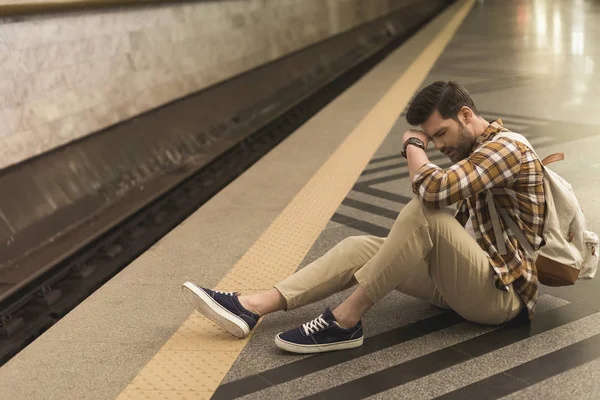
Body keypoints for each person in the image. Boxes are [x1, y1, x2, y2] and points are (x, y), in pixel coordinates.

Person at [181, 81, 544, 354]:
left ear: (466, 115)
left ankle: (345, 320)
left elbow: (434, 191)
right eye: (432, 139)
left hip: (503, 297)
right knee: (361, 247)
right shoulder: (480, 148)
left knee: (425, 213)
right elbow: (434, 190)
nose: (439, 145)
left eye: (441, 133)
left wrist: (413, 145)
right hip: (469, 282)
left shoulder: (507, 147)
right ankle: (252, 306)